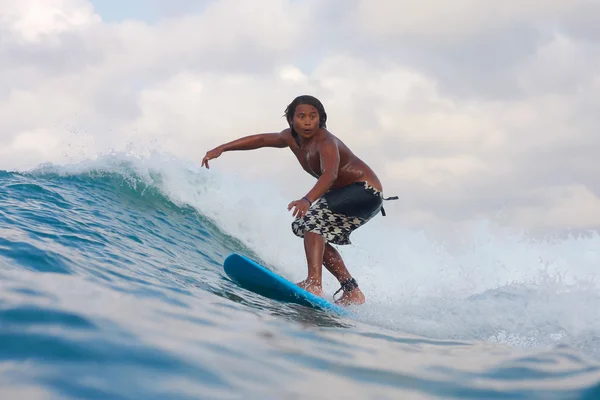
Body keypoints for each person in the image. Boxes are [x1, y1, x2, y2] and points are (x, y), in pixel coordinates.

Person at [201, 95, 396, 306]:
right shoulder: (289, 138)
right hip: (355, 195)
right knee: (311, 231)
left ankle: (314, 283)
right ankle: (352, 290)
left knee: (312, 221)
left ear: (321, 119)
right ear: (291, 120)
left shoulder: (326, 142)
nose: (307, 121)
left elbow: (329, 175)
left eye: (313, 116)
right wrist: (222, 148)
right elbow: (261, 140)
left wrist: (307, 200)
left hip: (365, 190)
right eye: (301, 116)